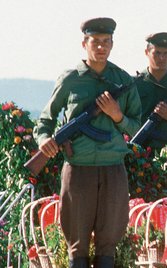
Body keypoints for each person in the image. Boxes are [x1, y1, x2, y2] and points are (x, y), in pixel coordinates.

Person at [33, 17, 141, 267]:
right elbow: (45, 120)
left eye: (106, 42)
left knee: (108, 246)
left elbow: (137, 129)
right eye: (96, 42)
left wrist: (118, 116)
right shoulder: (71, 79)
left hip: (113, 168)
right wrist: (45, 140)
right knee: (77, 245)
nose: (101, 47)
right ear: (85, 43)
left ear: (112, 44)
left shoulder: (123, 81)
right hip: (78, 168)